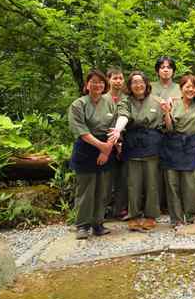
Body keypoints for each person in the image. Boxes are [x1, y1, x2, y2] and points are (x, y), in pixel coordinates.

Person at [109, 71, 164, 232]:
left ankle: (151, 215)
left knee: (152, 182)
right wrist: (118, 130)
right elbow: (123, 116)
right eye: (134, 82)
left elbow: (165, 123)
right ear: (130, 85)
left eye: (141, 82)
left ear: (146, 84)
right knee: (133, 182)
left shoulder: (155, 101)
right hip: (132, 143)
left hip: (152, 143)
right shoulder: (125, 101)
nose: (138, 85)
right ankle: (133, 215)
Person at [68, 69, 116, 240]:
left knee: (103, 189)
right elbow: (80, 130)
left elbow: (115, 127)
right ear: (87, 85)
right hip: (86, 148)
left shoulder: (109, 102)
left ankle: (98, 223)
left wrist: (107, 148)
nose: (97, 85)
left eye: (101, 82)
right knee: (86, 190)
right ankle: (82, 225)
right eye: (93, 82)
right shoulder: (78, 104)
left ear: (105, 85)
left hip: (107, 146)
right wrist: (101, 146)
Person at [161, 75, 195, 228]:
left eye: (193, 87)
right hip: (172, 143)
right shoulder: (173, 103)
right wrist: (166, 113)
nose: (190, 89)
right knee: (172, 183)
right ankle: (176, 218)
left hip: (190, 143)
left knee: (190, 182)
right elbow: (169, 127)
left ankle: (191, 214)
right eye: (187, 86)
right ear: (181, 88)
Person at [151, 56, 181, 212]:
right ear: (157, 70)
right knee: (154, 171)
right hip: (153, 131)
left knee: (171, 170)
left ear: (173, 71)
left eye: (169, 67)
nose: (165, 70)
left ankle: (171, 205)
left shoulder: (179, 87)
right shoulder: (149, 86)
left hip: (174, 131)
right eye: (162, 67)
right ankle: (155, 205)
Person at [104, 67, 128, 220]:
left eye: (120, 78)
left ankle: (120, 209)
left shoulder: (126, 98)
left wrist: (120, 143)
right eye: (115, 78)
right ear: (108, 79)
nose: (118, 81)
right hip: (104, 143)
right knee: (106, 178)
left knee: (123, 177)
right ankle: (103, 209)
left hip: (124, 142)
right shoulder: (102, 98)